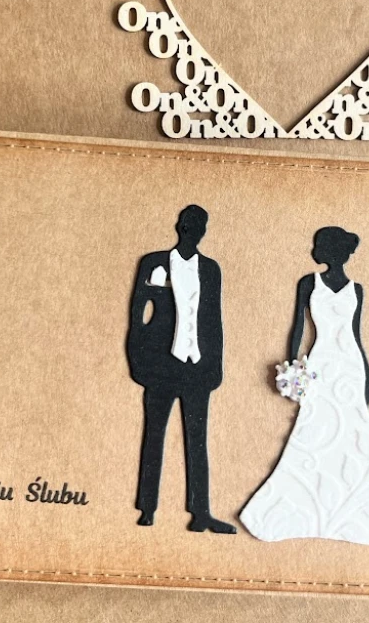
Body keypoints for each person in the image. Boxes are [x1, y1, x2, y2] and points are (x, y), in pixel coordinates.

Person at [239, 226, 369, 544]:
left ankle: (355, 511)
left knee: (357, 430)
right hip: (320, 365)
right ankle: (302, 506)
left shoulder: (356, 290)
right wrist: (293, 369)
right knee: (314, 427)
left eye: (319, 246)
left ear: (332, 250)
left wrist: (367, 375)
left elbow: (356, 335)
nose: (314, 251)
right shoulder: (309, 283)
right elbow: (298, 328)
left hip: (349, 367)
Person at [127, 205, 236, 534]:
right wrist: (138, 360)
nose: (192, 231)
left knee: (197, 439)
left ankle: (201, 512)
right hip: (160, 365)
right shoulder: (154, 262)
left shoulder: (211, 269)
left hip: (197, 367)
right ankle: (147, 508)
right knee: (154, 435)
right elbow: (138, 314)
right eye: (188, 225)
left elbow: (214, 321)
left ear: (203, 232)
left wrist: (215, 366)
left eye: (198, 227)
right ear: (179, 227)